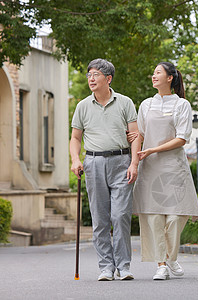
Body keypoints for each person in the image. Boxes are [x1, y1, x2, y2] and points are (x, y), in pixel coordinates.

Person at [70, 58, 141, 281]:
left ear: (108, 79)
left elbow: (135, 134)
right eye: (89, 74)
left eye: (96, 75)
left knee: (120, 216)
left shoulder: (125, 102)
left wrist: (134, 163)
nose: (91, 79)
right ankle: (106, 267)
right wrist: (75, 159)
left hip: (121, 162)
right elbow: (75, 138)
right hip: (93, 163)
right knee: (100, 218)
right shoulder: (82, 106)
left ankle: (124, 265)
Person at [129, 62, 198, 280]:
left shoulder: (182, 105)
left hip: (173, 167)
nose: (153, 76)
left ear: (170, 78)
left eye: (158, 73)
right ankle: (161, 264)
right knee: (153, 217)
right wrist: (135, 160)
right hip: (149, 166)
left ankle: (171, 256)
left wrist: (153, 149)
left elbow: (182, 138)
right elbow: (138, 135)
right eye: (153, 73)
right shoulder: (146, 105)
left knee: (175, 216)